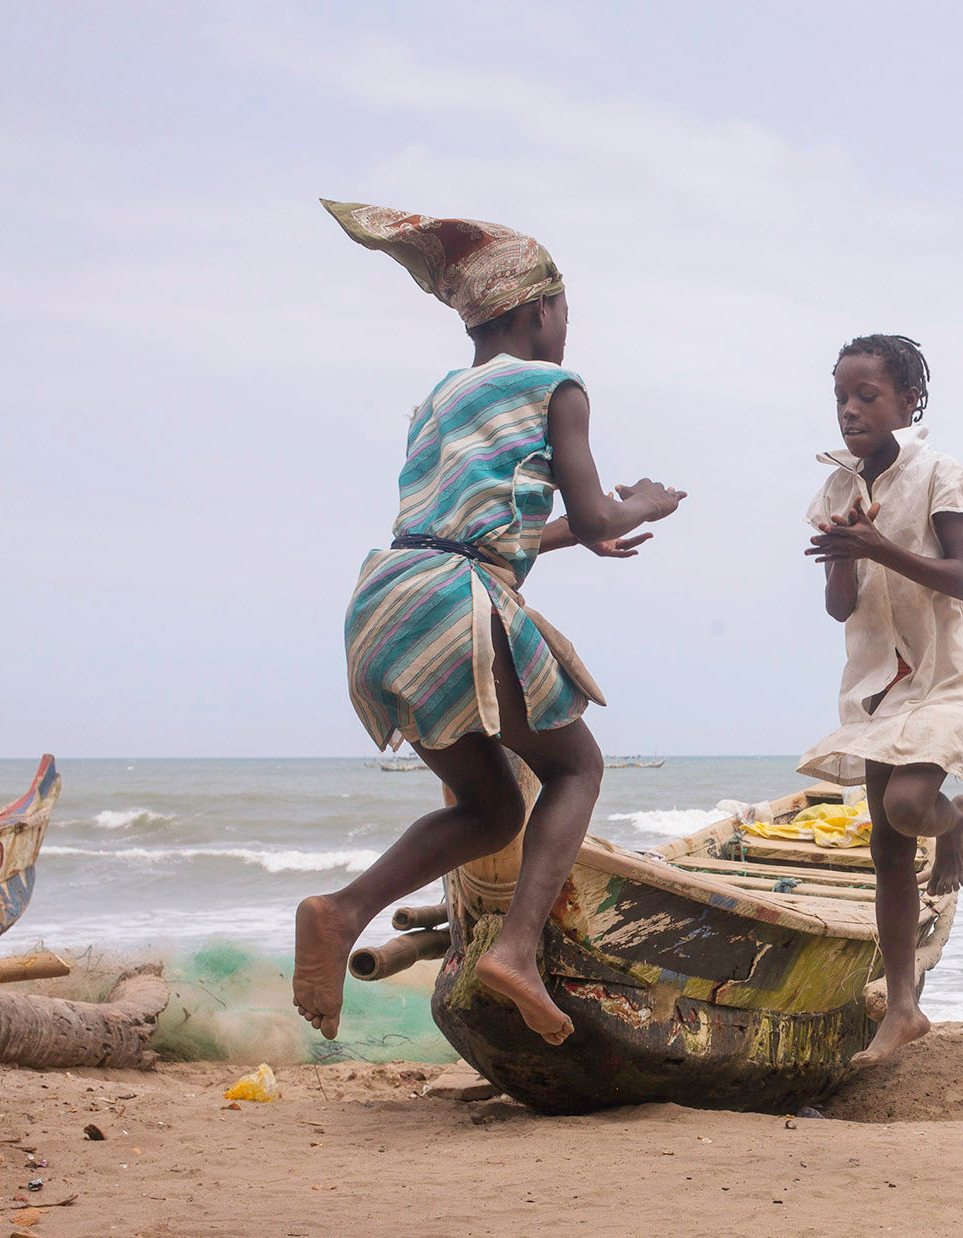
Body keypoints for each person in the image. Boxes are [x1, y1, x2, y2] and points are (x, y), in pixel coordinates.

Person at [292, 200, 685, 1045]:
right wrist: (637, 505)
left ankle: (341, 909)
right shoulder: (555, 388)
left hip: (388, 599)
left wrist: (581, 536)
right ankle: (516, 950)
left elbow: (477, 521)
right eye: (567, 312)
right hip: (452, 601)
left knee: (490, 806)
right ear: (538, 309)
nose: (569, 329)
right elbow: (599, 508)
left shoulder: (440, 398)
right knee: (576, 766)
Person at [801, 334, 963, 1068]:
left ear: (909, 401)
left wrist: (880, 547)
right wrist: (846, 559)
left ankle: (955, 820)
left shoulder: (944, 474)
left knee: (910, 809)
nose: (850, 410)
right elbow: (838, 606)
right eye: (841, 397)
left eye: (867, 396)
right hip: (876, 677)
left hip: (941, 671)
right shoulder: (838, 490)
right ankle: (904, 1006)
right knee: (885, 845)